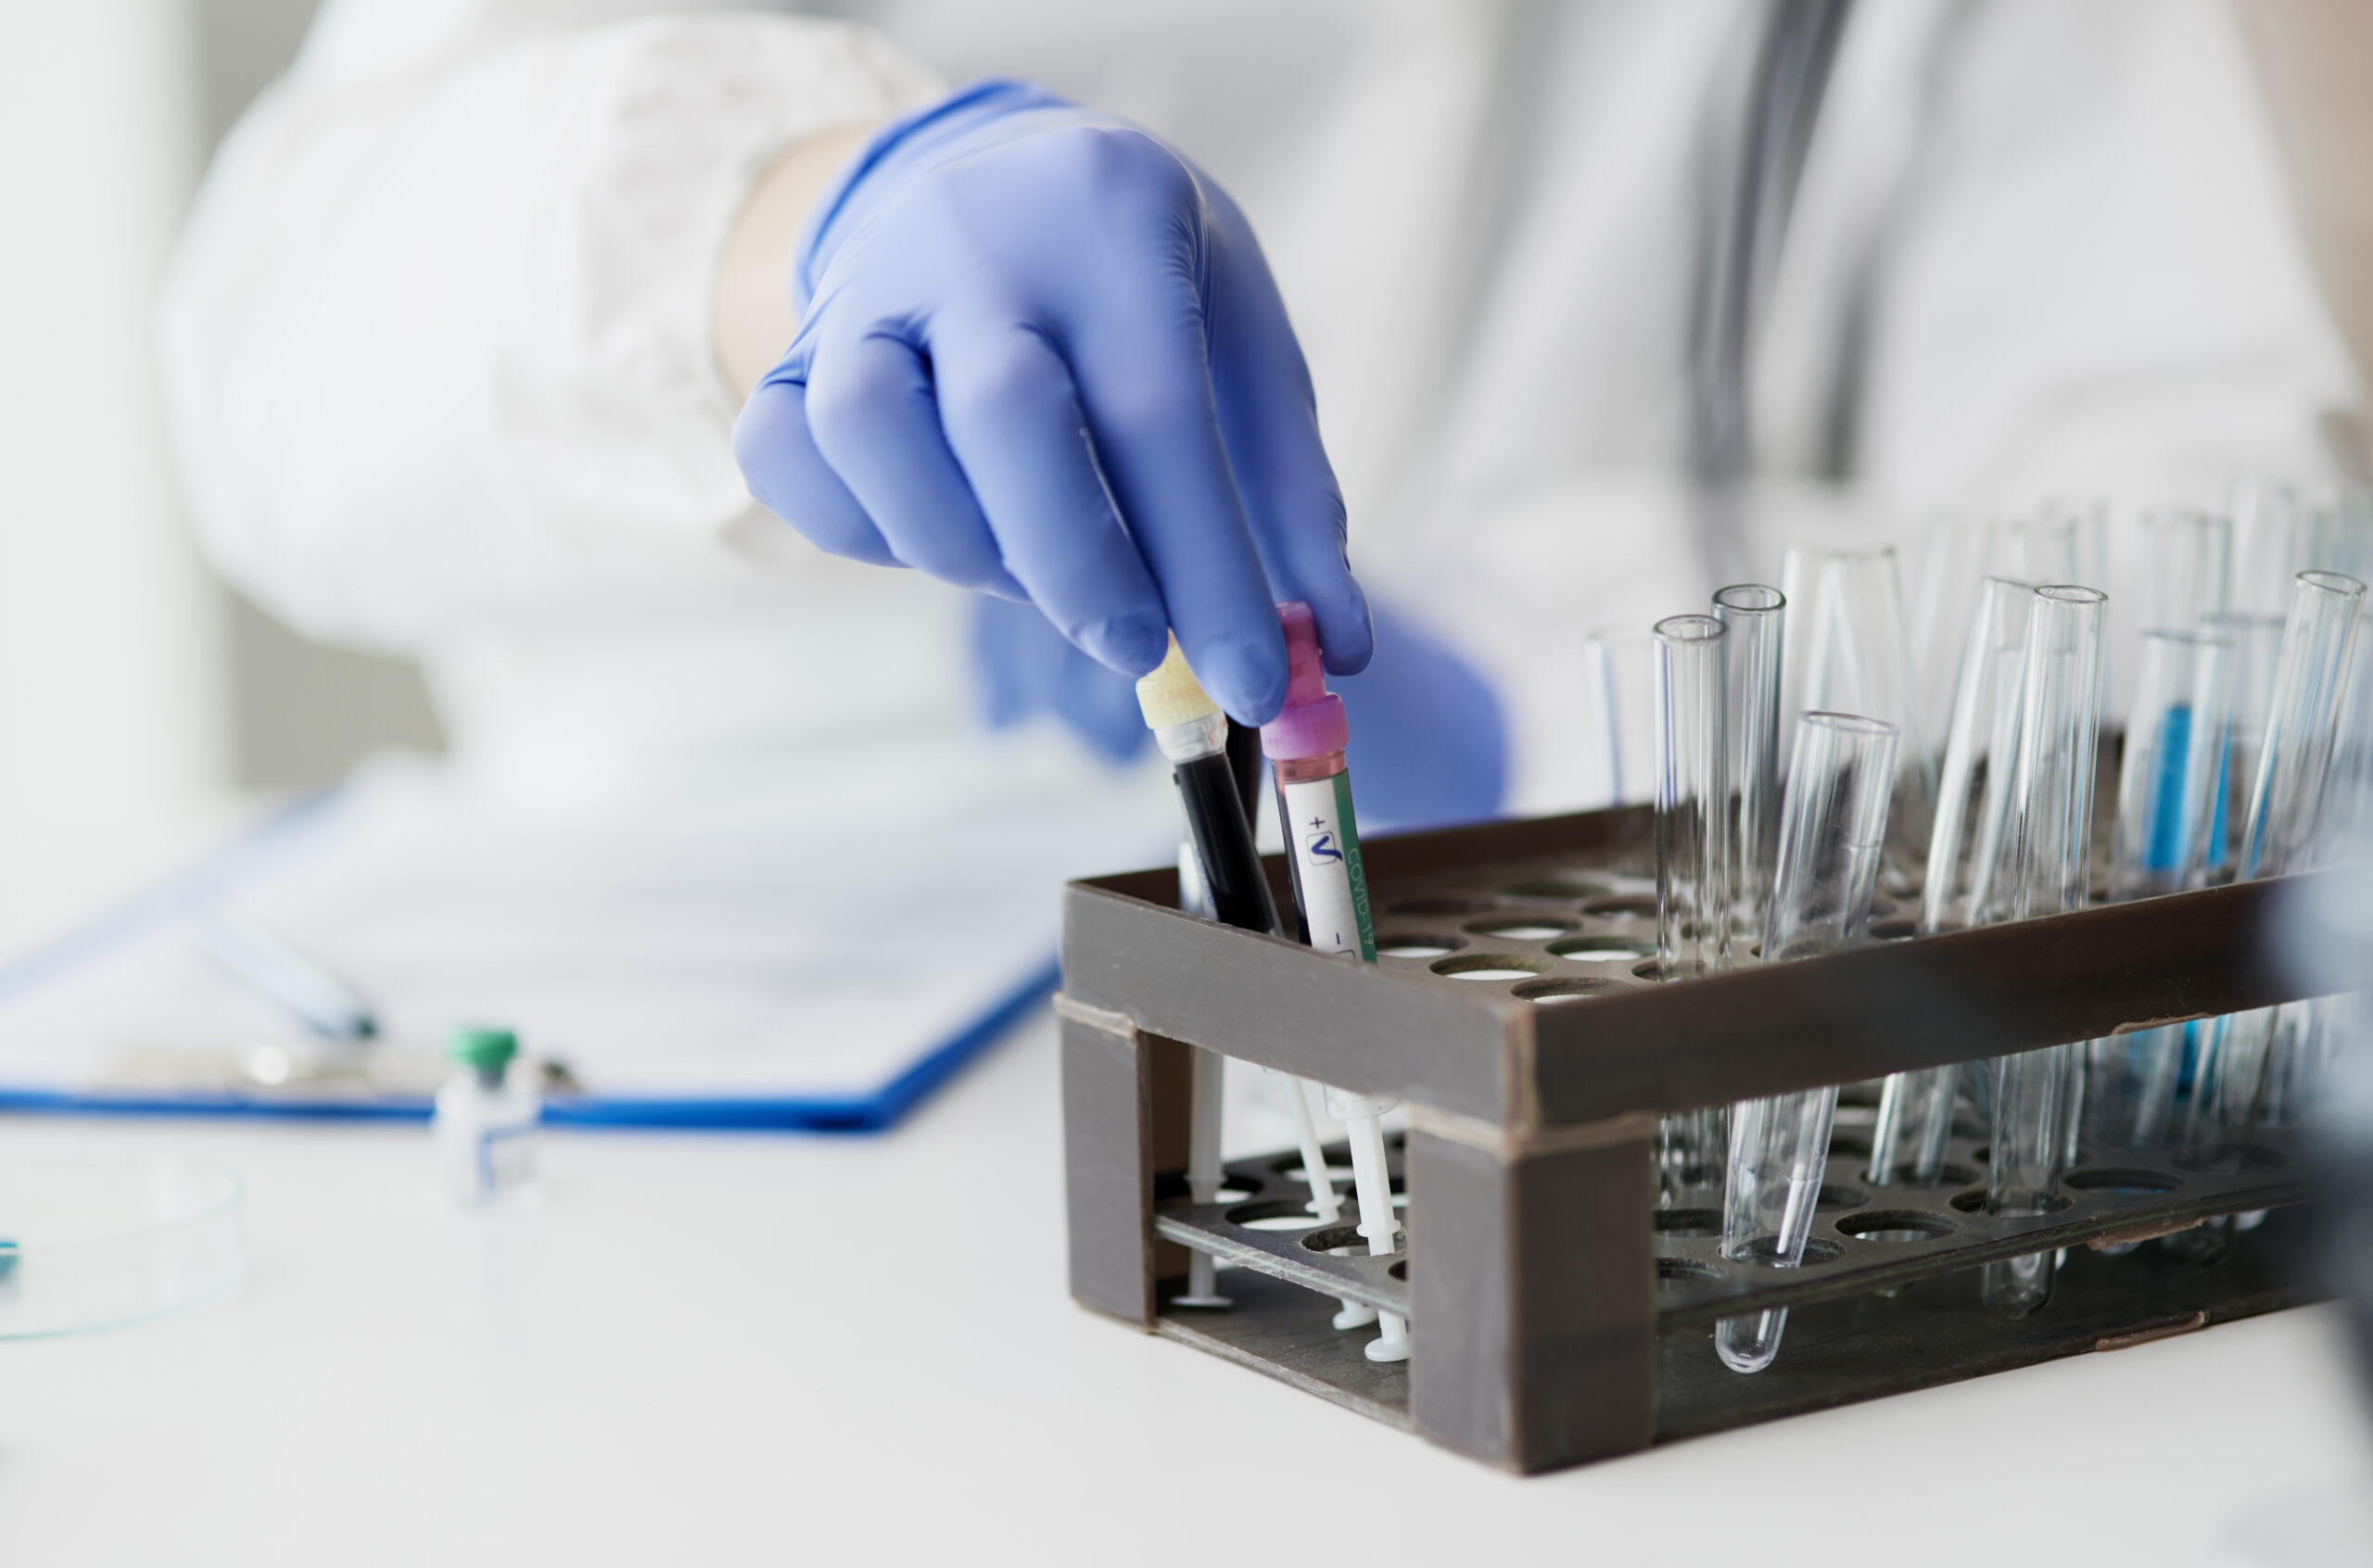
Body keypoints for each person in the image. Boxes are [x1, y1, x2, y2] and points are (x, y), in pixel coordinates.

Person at [159, 0, 2352, 828]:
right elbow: (277, 355)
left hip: (1562, 1007)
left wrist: (1548, 694)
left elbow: (2212, 566)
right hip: (729, 952)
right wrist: (796, 229)